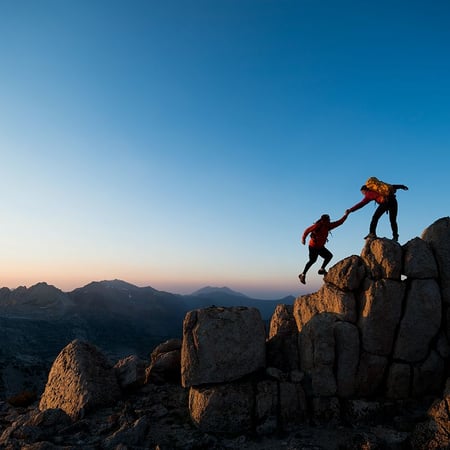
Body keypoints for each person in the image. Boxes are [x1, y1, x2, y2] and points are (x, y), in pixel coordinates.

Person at [298, 211, 349, 284]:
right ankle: (302, 275)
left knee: (329, 256)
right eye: (327, 220)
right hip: (313, 246)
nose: (328, 221)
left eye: (328, 220)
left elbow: (340, 222)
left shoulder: (329, 225)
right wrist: (303, 239)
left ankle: (321, 269)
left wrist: (346, 215)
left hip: (320, 247)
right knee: (312, 260)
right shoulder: (318, 225)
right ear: (323, 220)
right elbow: (307, 230)